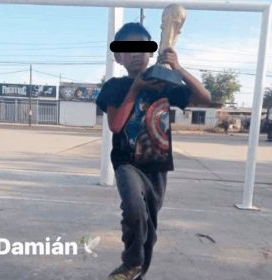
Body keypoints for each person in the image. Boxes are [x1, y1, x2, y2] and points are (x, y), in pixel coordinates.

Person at [96, 22, 211, 280]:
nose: (137, 53)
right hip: (127, 163)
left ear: (151, 53)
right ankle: (131, 262)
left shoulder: (165, 83)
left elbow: (205, 99)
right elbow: (116, 125)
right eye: (129, 48)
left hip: (157, 166)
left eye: (143, 48)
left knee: (149, 227)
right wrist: (135, 88)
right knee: (135, 209)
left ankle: (137, 270)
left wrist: (178, 68)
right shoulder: (113, 87)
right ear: (118, 56)